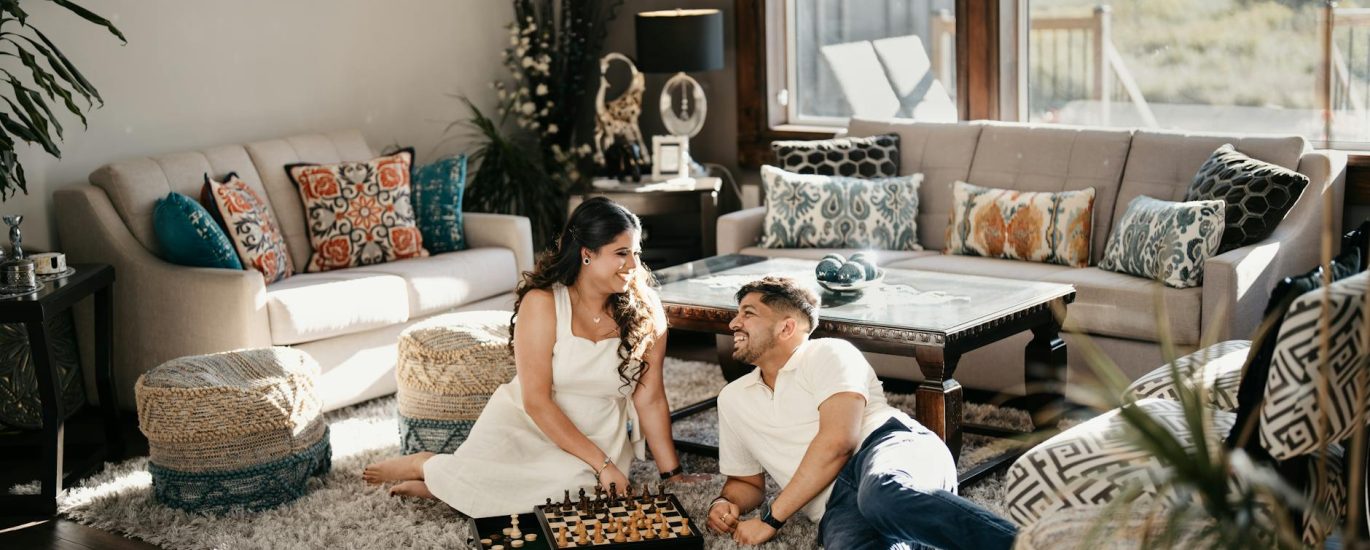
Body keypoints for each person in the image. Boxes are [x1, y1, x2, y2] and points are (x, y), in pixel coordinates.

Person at [363, 197, 690, 517]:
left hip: (600, 434)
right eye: (621, 253)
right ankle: (427, 464)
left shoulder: (646, 310)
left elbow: (651, 399)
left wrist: (671, 473)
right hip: (529, 423)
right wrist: (603, 465)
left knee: (576, 495)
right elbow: (536, 400)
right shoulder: (543, 303)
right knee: (553, 493)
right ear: (587, 254)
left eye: (636, 253)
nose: (634, 265)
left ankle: (446, 487)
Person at [705, 276, 1017, 549]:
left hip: (887, 449)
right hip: (836, 507)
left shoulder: (828, 352)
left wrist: (771, 520)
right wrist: (726, 502)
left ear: (787, 327)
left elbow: (839, 443)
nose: (734, 324)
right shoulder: (732, 399)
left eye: (748, 314)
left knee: (883, 494)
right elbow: (745, 483)